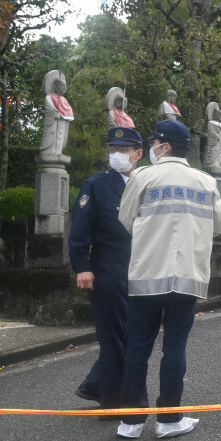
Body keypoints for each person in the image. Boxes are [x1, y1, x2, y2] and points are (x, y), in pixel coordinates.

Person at [116, 119, 221, 439]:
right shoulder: (205, 182)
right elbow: (218, 225)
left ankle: (131, 422)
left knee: (138, 347)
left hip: (146, 277)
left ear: (164, 146)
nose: (150, 148)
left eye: (152, 143)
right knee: (174, 348)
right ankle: (168, 419)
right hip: (187, 278)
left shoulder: (142, 177)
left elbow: (126, 220)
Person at [69, 127, 143, 411]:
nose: (116, 155)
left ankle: (95, 385)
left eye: (123, 151)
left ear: (137, 154)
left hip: (139, 268)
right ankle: (114, 402)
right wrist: (82, 266)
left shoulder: (145, 182)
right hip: (107, 268)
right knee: (114, 335)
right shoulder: (97, 184)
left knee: (132, 334)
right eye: (112, 150)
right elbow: (80, 230)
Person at [40, 70, 73, 165]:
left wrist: (65, 117)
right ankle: (50, 151)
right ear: (55, 86)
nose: (63, 88)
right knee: (53, 135)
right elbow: (48, 109)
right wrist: (54, 114)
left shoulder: (64, 100)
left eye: (64, 86)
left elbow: (68, 111)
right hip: (53, 122)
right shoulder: (49, 97)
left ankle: (59, 151)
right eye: (60, 86)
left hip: (62, 122)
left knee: (60, 137)